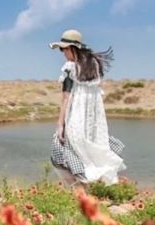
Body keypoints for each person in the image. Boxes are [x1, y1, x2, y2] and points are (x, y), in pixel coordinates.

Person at [49, 29, 126, 188]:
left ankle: (79, 189)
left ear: (72, 48)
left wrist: (60, 124)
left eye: (63, 49)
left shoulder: (70, 68)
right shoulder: (94, 67)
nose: (63, 53)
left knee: (60, 151)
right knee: (88, 153)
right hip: (92, 120)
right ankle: (88, 188)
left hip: (75, 116)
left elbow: (66, 97)